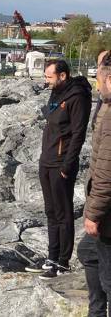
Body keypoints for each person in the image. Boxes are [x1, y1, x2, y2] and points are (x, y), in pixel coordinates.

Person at [28, 59, 92, 279]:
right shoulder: (56, 93)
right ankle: (51, 258)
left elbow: (78, 134)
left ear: (62, 75)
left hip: (61, 164)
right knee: (51, 212)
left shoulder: (77, 97)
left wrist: (67, 164)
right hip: (46, 160)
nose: (46, 81)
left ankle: (63, 263)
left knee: (63, 214)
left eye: (49, 77)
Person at [81, 51, 111, 315]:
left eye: (99, 76)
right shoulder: (106, 105)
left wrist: (94, 212)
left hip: (107, 212)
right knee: (88, 253)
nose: (97, 83)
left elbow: (106, 170)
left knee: (110, 277)